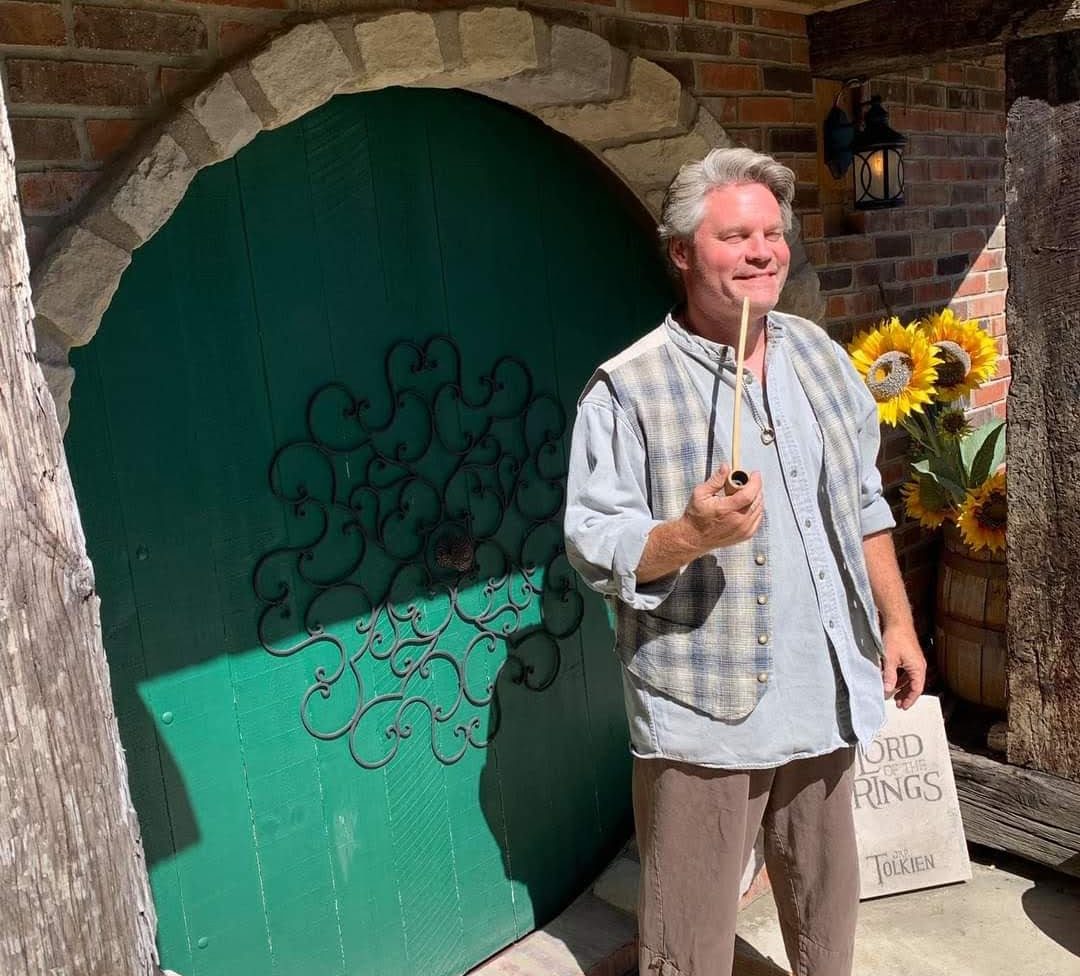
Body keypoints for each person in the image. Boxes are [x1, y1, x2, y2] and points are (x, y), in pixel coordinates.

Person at [563, 146, 926, 976]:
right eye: (735, 237)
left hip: (827, 683)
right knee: (690, 931)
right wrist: (689, 535)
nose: (763, 251)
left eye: (772, 234)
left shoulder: (820, 355)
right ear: (682, 251)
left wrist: (897, 623)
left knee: (825, 901)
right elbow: (594, 544)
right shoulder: (627, 387)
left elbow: (863, 503)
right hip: (705, 708)